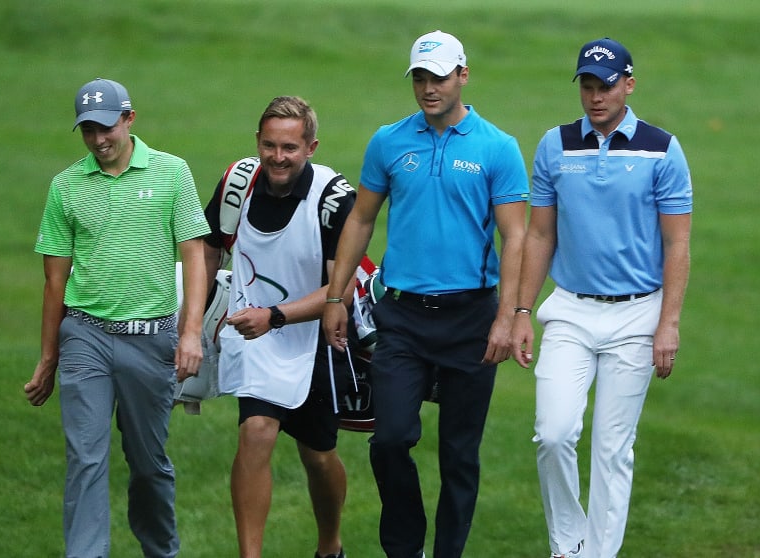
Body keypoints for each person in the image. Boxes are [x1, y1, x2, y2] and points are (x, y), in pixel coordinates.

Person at [322, 30, 529, 558]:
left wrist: (508, 315)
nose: (428, 87)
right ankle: (404, 550)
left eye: (438, 77)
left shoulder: (497, 147)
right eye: (419, 77)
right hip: (403, 318)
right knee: (389, 439)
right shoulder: (389, 141)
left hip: (472, 317)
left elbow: (517, 238)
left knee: (460, 455)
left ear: (462, 75)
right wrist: (335, 298)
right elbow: (361, 219)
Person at [510, 38, 693, 558]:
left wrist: (669, 324)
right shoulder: (555, 145)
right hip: (568, 309)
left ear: (628, 85)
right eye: (587, 86)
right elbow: (541, 235)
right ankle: (569, 546)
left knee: (612, 450)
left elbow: (678, 243)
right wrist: (522, 310)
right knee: (553, 433)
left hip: (638, 314)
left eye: (605, 86)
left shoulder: (662, 148)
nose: (595, 97)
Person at [24, 78, 210, 558]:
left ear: (129, 119)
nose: (98, 139)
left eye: (106, 127)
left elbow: (193, 256)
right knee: (85, 459)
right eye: (88, 130)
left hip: (151, 341)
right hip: (85, 336)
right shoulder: (66, 186)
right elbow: (55, 283)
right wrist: (49, 357)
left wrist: (191, 333)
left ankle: (160, 550)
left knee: (148, 464)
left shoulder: (171, 173)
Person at [203, 96, 354, 558]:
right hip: (255, 331)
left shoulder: (333, 198)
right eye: (269, 145)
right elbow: (210, 246)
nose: (278, 157)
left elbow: (339, 289)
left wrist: (276, 316)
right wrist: (198, 314)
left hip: (314, 333)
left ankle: (330, 545)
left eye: (290, 147)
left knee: (319, 454)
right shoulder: (238, 183)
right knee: (257, 430)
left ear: (311, 146)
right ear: (258, 142)